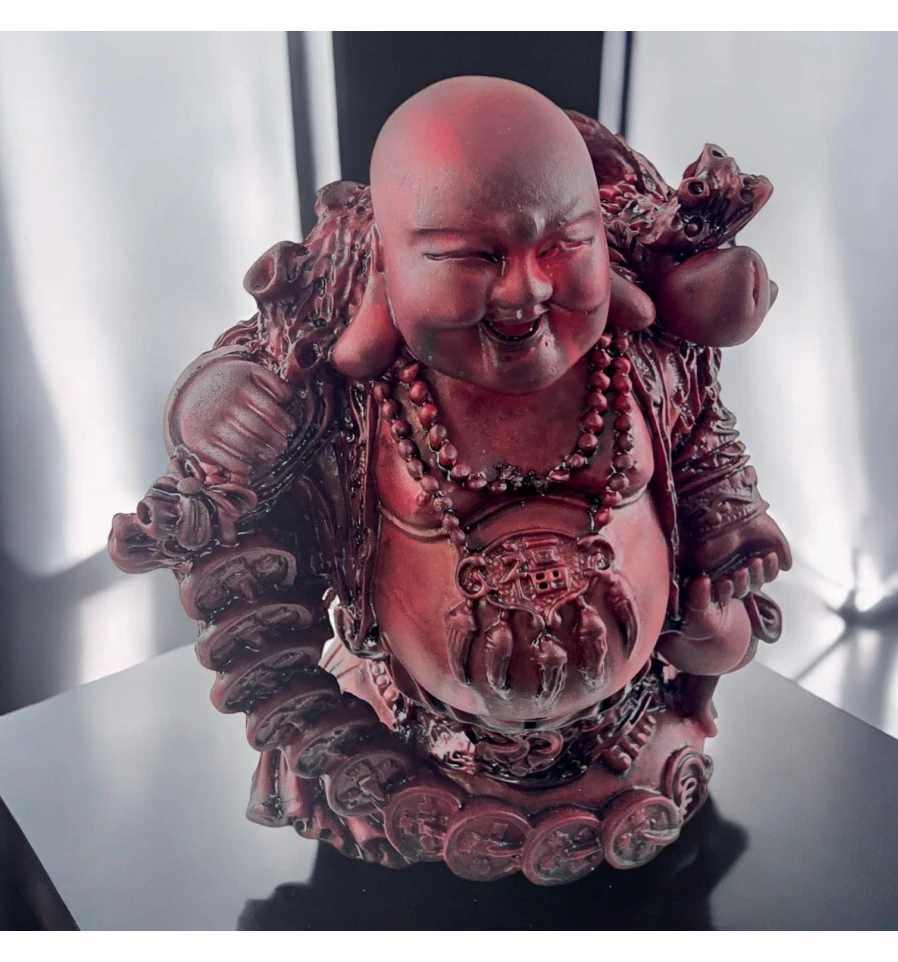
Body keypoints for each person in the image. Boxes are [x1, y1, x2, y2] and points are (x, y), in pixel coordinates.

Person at [109, 76, 790, 878]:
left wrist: (715, 636)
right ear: (385, 265)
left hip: (629, 744)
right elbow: (229, 460)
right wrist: (217, 404)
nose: (526, 289)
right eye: (471, 256)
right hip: (413, 747)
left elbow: (731, 556)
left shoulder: (654, 370)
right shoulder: (356, 398)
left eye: (564, 246)